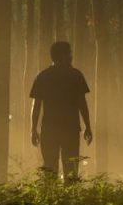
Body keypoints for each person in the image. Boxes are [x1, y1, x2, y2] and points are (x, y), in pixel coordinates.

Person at [29, 41, 93, 183]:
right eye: (68, 53)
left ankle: (54, 199)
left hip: (51, 130)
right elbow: (82, 103)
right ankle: (65, 199)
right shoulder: (75, 75)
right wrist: (87, 126)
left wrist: (33, 129)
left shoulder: (43, 76)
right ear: (60, 55)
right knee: (68, 167)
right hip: (68, 129)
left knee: (52, 167)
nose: (71, 56)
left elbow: (36, 105)